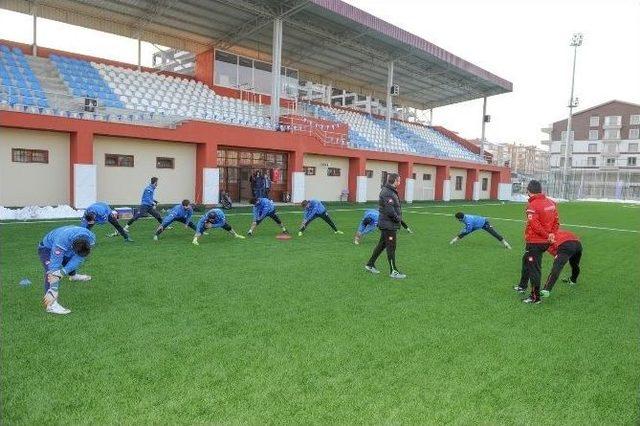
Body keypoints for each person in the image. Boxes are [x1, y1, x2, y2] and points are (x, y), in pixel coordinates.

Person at [515, 180, 560, 304]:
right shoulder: (551, 203)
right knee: (526, 260)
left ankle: (535, 297)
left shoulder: (532, 205)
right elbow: (557, 221)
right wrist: (551, 235)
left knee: (534, 268)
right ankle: (522, 286)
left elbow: (534, 225)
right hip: (545, 241)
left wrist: (547, 235)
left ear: (529, 191)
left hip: (535, 242)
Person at [38, 225, 96, 314]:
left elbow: (79, 259)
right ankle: (51, 305)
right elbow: (54, 268)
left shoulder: (91, 238)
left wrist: (63, 272)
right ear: (72, 247)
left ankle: (73, 276)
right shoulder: (61, 242)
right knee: (50, 271)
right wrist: (53, 289)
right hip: (47, 248)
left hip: (67, 243)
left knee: (69, 260)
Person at [364, 173, 406, 279]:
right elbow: (390, 211)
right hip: (389, 225)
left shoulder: (390, 191)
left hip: (387, 224)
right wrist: (398, 219)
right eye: (399, 180)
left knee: (382, 245)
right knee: (391, 247)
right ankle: (393, 271)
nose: (400, 182)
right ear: (395, 180)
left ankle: (370, 264)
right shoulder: (388, 192)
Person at [541, 229, 582, 298]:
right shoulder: (558, 231)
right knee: (575, 264)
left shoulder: (546, 238)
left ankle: (546, 290)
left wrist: (558, 256)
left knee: (557, 267)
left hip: (566, 246)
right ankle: (573, 280)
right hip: (578, 244)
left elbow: (553, 251)